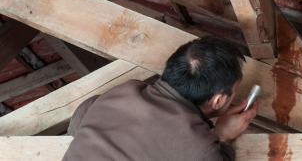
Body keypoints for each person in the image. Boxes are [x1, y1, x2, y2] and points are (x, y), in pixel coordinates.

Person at [62, 36, 257, 161]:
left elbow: (80, 117)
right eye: (233, 92)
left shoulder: (124, 90)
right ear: (218, 100)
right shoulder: (199, 147)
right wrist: (222, 136)